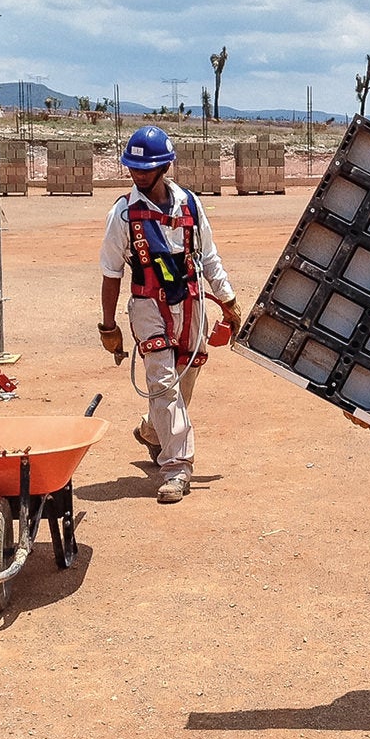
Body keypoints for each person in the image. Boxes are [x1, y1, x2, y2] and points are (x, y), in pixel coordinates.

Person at [99, 126, 243, 504]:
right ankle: (177, 468)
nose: (138, 175)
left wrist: (227, 299)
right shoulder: (122, 214)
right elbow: (111, 273)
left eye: (145, 169)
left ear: (164, 167)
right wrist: (108, 326)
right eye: (133, 169)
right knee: (164, 382)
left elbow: (209, 256)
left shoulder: (191, 205)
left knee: (186, 376)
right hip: (148, 305)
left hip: (193, 303)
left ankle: (153, 431)